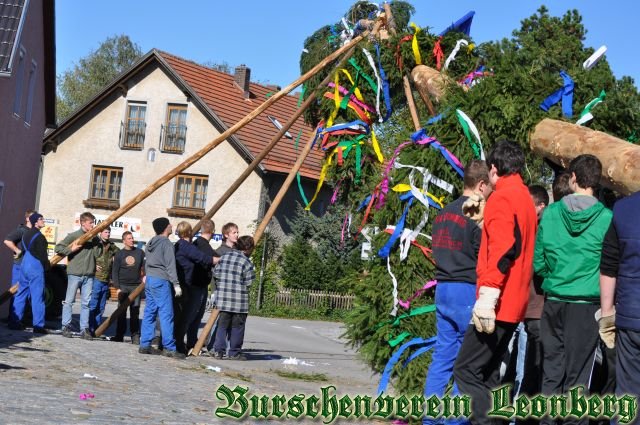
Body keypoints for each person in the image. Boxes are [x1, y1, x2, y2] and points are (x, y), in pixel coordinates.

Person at [452, 141, 538, 425]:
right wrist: (483, 222)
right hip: (516, 301)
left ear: (493, 169)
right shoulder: (524, 196)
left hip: (498, 301)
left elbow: (502, 250)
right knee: (490, 375)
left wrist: (487, 297)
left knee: (466, 371)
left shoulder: (502, 198)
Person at [534, 154, 612, 425]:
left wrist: (556, 277)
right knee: (578, 379)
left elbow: (538, 261)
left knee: (551, 373)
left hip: (554, 302)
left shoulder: (551, 213)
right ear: (597, 183)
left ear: (574, 178)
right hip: (586, 306)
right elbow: (611, 266)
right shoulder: (606, 219)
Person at [422, 160, 492, 425]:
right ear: (481, 185)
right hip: (466, 289)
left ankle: (430, 419)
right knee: (468, 363)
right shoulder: (474, 216)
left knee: (442, 357)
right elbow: (482, 257)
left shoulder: (442, 214)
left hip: (443, 288)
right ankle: (455, 421)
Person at [599, 190, 640, 425]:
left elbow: (608, 266)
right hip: (630, 315)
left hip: (630, 316)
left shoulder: (623, 209)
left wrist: (606, 315)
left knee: (627, 395)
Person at [139, 217, 185, 359]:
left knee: (150, 312)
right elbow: (170, 266)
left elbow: (146, 261)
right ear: (165, 227)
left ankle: (144, 344)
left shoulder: (150, 243)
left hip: (150, 279)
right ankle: (169, 347)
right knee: (166, 314)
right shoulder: (166, 244)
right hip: (161, 279)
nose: (172, 226)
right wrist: (176, 284)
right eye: (169, 224)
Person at [173, 221, 216, 354]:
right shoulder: (186, 246)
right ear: (189, 232)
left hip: (186, 284)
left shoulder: (183, 245)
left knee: (184, 316)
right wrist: (221, 259)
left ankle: (179, 342)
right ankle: (178, 344)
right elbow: (202, 258)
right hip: (186, 285)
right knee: (185, 317)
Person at [212, 235, 256, 361]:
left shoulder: (224, 257)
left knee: (222, 326)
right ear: (248, 248)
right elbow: (249, 282)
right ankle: (234, 352)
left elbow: (216, 274)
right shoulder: (246, 262)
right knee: (237, 327)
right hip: (239, 302)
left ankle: (218, 351)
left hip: (223, 299)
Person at [55, 212, 98, 340]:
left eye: (93, 222)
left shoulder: (94, 238)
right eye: (91, 222)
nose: (92, 225)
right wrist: (71, 250)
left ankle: (84, 329)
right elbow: (58, 248)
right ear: (83, 222)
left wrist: (98, 241)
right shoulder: (74, 236)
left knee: (86, 303)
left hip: (89, 275)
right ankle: (65, 326)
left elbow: (98, 254)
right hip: (75, 273)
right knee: (69, 301)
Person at [8, 213, 49, 333]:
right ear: (36, 222)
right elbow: (42, 256)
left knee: (21, 293)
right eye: (41, 219)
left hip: (24, 265)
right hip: (35, 267)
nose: (43, 220)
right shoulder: (39, 236)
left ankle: (14, 322)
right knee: (37, 296)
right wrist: (47, 267)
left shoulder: (26, 234)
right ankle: (38, 325)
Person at [188, 219, 219, 352]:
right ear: (212, 231)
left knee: (193, 315)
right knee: (195, 315)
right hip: (198, 284)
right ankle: (191, 342)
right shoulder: (204, 246)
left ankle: (191, 340)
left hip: (195, 283)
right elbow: (213, 259)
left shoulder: (196, 243)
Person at [111, 231, 145, 344]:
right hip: (123, 286)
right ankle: (119, 335)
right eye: (129, 238)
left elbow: (144, 267)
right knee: (121, 312)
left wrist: (144, 277)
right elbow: (115, 272)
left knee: (135, 312)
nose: (132, 240)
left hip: (136, 286)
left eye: (132, 238)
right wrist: (117, 287)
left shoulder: (140, 252)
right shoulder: (119, 254)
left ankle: (135, 336)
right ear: (124, 241)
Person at [4, 209, 35, 317]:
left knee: (27, 293)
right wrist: (18, 251)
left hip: (29, 267)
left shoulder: (33, 231)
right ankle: (14, 320)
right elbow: (7, 240)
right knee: (17, 292)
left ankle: (22, 319)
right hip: (19, 265)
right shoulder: (21, 230)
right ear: (27, 218)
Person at [89, 227, 119, 336]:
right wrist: (93, 265)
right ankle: (90, 327)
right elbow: (89, 256)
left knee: (101, 307)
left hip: (106, 280)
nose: (108, 234)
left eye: (109, 232)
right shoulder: (96, 243)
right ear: (101, 233)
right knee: (93, 305)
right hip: (96, 278)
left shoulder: (111, 246)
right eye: (106, 232)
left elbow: (120, 255)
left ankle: (96, 329)